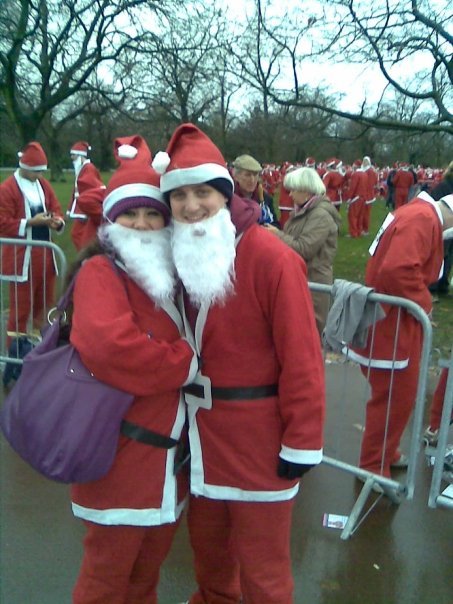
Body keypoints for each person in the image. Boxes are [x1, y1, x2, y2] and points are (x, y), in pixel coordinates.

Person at [155, 123, 325, 604]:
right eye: (180, 195)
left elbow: (303, 358)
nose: (191, 206)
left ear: (224, 194)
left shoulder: (272, 258)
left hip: (258, 444)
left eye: (204, 192)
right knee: (210, 566)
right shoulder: (175, 258)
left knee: (264, 577)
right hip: (200, 442)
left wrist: (302, 440)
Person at [69, 134, 198, 604]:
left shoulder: (171, 275)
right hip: (123, 459)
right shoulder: (100, 272)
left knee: (144, 579)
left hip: (167, 464)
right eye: (130, 213)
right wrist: (184, 363)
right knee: (106, 582)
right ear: (112, 220)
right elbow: (112, 348)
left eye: (152, 214)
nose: (142, 224)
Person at [346, 189, 453, 478]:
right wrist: (424, 302)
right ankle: (372, 465)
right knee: (394, 396)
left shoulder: (414, 212)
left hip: (388, 317)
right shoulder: (422, 218)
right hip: (391, 322)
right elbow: (396, 269)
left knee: (395, 395)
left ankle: (383, 452)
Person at [264, 166, 341, 336]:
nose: (290, 195)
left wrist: (277, 235)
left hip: (314, 284)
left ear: (306, 191)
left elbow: (304, 248)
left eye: (293, 190)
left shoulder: (320, 215)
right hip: (301, 279)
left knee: (308, 333)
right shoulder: (304, 211)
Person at [0, 141, 65, 342]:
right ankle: (15, 356)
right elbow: (2, 223)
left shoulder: (43, 185)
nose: (40, 176)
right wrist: (30, 222)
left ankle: (41, 347)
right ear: (25, 169)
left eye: (42, 171)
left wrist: (57, 222)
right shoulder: (7, 189)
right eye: (36, 171)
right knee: (20, 310)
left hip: (46, 256)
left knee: (45, 305)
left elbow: (56, 207)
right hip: (22, 259)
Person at [67, 141, 105, 251]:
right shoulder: (83, 169)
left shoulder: (88, 169)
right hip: (83, 207)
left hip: (85, 209)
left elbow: (93, 186)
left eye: (73, 155)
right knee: (78, 234)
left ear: (80, 156)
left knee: (78, 234)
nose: (72, 158)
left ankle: (85, 254)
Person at [232, 154, 280, 227]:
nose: (252, 180)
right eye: (247, 175)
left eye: (255, 175)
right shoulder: (228, 198)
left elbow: (275, 224)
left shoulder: (265, 198)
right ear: (236, 176)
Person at [428, 160, 453, 298]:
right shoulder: (443, 186)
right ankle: (433, 284)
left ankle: (443, 283)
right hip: (444, 223)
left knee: (449, 256)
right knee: (441, 254)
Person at [345, 159, 368, 238]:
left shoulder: (356, 174)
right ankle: (359, 230)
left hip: (356, 197)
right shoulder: (365, 174)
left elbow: (353, 187)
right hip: (363, 197)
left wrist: (349, 197)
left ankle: (353, 232)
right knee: (360, 216)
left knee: (353, 216)